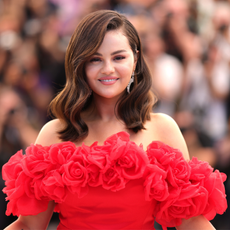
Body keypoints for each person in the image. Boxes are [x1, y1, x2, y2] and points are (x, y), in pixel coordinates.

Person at [2, 10, 227, 230]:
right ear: (79, 64)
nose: (108, 69)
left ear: (136, 58)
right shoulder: (54, 133)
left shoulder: (163, 129)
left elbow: (191, 221)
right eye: (95, 59)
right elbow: (28, 225)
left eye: (118, 57)